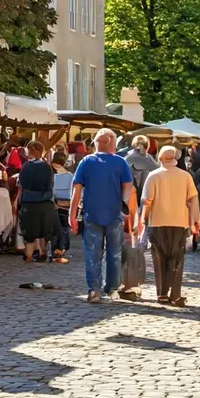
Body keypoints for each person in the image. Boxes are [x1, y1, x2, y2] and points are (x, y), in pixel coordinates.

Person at [69, 128, 136, 303]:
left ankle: (94, 290)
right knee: (114, 253)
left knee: (92, 254)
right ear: (112, 143)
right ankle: (112, 288)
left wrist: (72, 214)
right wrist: (123, 205)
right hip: (114, 215)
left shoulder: (86, 162)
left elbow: (76, 192)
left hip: (91, 214)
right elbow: (128, 187)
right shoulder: (120, 163)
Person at [138, 146, 200, 307]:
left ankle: (161, 294)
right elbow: (193, 200)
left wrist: (141, 221)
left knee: (159, 258)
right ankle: (175, 294)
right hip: (179, 223)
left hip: (158, 222)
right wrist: (196, 222)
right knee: (177, 258)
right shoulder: (185, 176)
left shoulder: (153, 176)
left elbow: (147, 202)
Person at [16, 140, 59, 263]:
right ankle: (42, 251)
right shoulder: (47, 167)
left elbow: (21, 184)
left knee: (30, 229)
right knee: (43, 228)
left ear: (30, 151)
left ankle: (29, 254)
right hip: (45, 201)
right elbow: (50, 185)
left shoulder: (26, 166)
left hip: (29, 201)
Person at [124, 135, 159, 206]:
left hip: (139, 194)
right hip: (140, 193)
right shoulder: (148, 158)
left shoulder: (148, 156)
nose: (140, 146)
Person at [51, 151, 73, 263]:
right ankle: (63, 248)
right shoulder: (70, 176)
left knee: (55, 228)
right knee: (65, 228)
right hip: (67, 204)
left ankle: (56, 249)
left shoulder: (53, 175)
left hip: (55, 203)